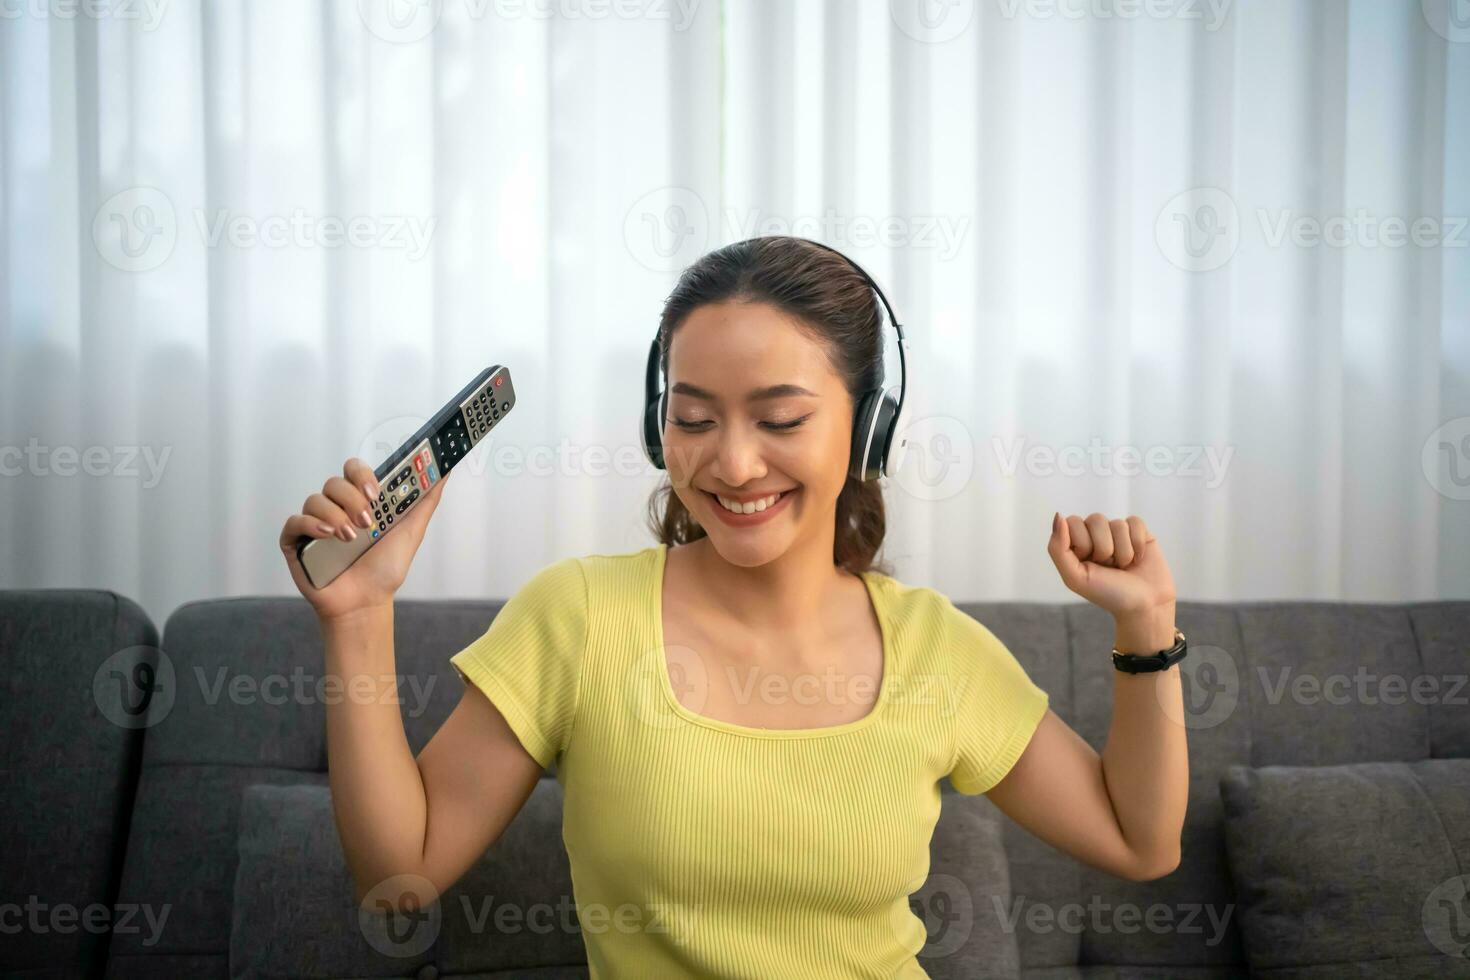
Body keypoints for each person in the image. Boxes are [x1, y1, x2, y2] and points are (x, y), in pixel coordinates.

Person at [278, 235, 1187, 977]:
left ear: (869, 425)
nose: (734, 463)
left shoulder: (936, 652)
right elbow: (399, 880)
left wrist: (1146, 625)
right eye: (695, 417)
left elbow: (1138, 842)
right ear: (656, 425)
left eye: (781, 420)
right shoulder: (580, 617)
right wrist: (357, 617)